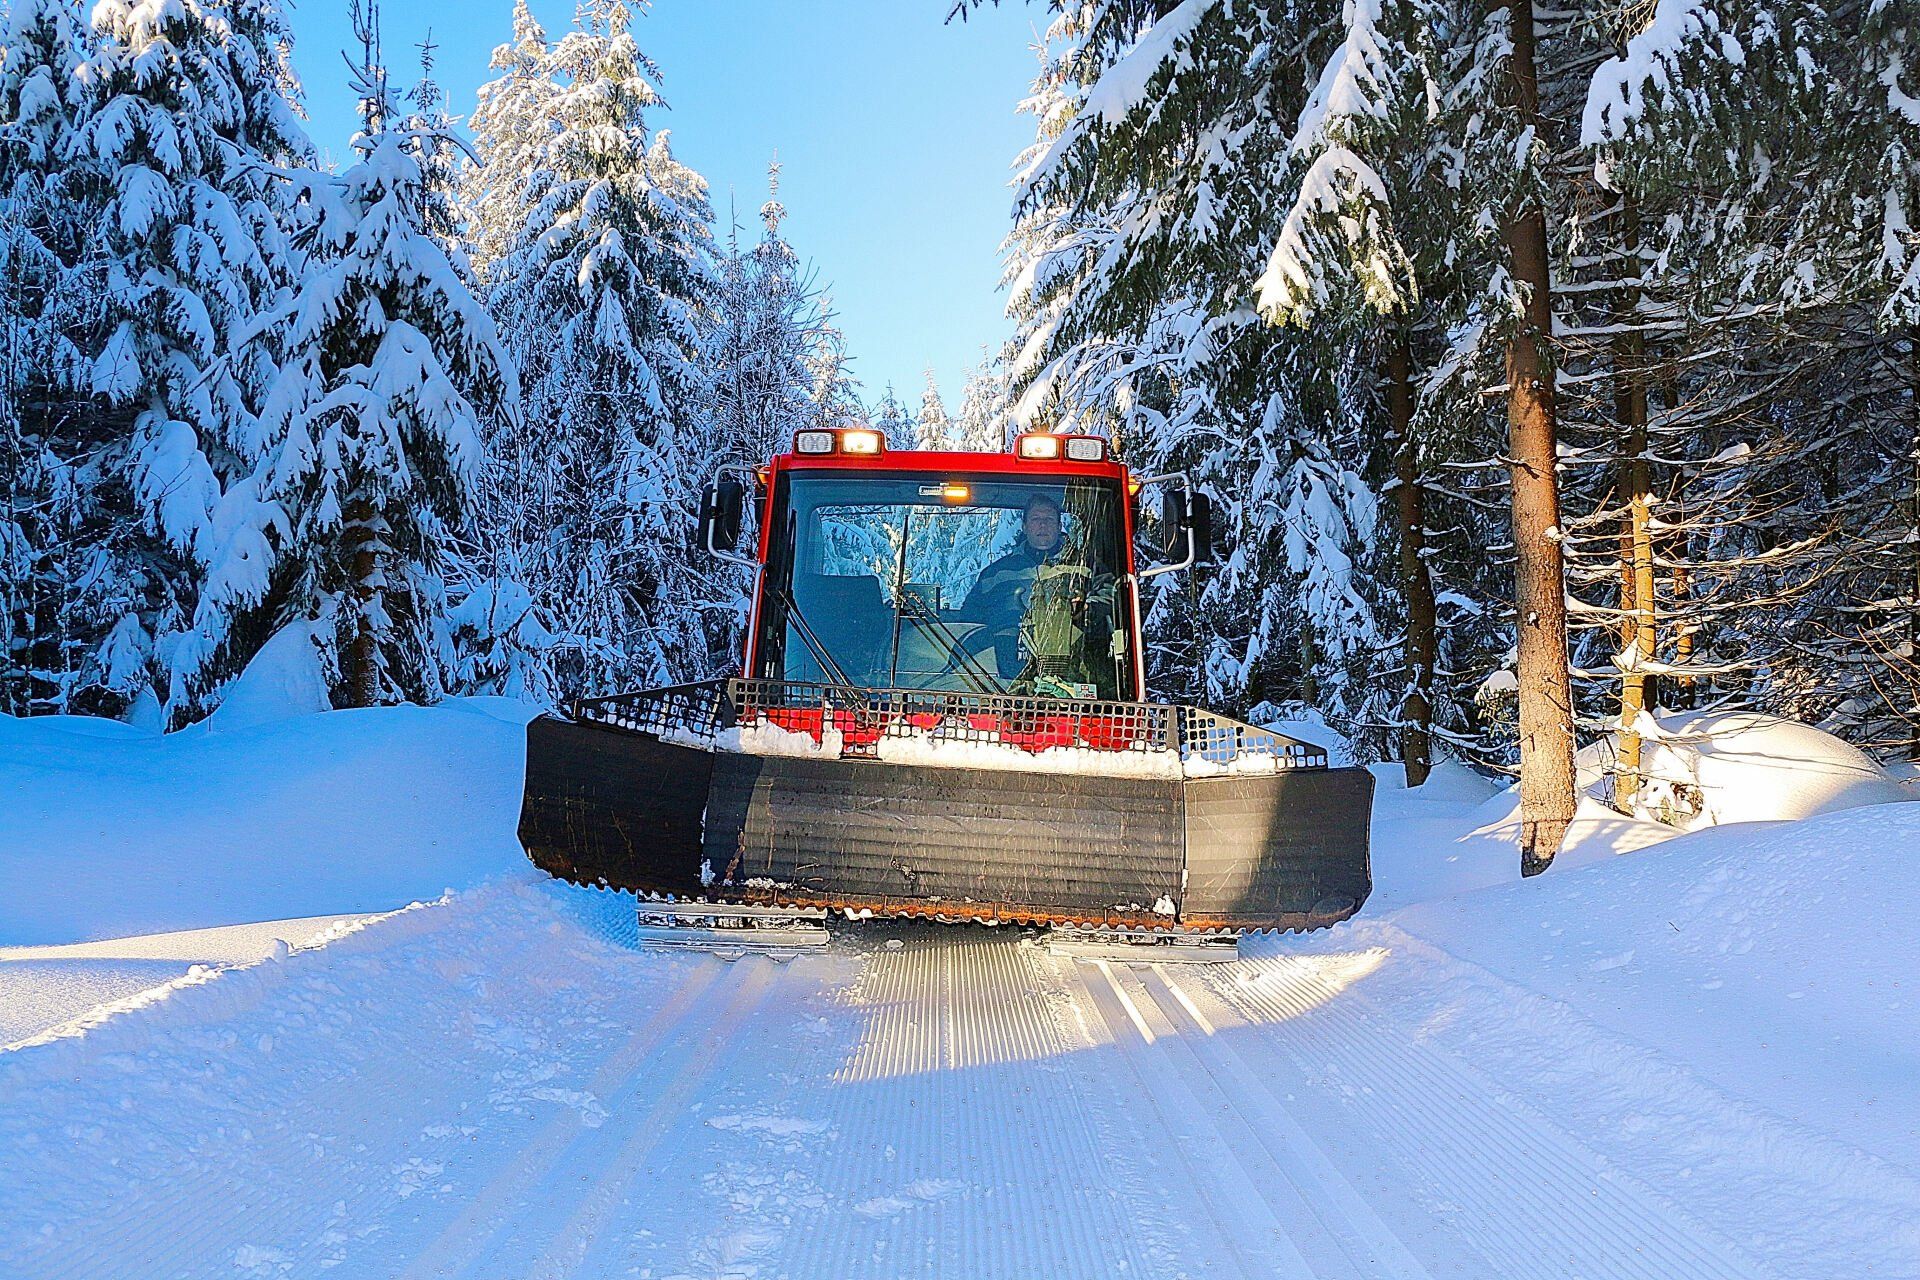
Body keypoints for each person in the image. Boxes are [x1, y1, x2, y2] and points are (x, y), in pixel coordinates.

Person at [957, 491, 1100, 683]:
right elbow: (969, 622)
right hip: (1002, 683)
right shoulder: (996, 574)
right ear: (1024, 526)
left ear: (1059, 526)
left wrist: (1085, 608)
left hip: (1071, 678)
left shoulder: (1086, 568)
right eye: (1036, 519)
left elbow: (1112, 601)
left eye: (1049, 519)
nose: (1043, 524)